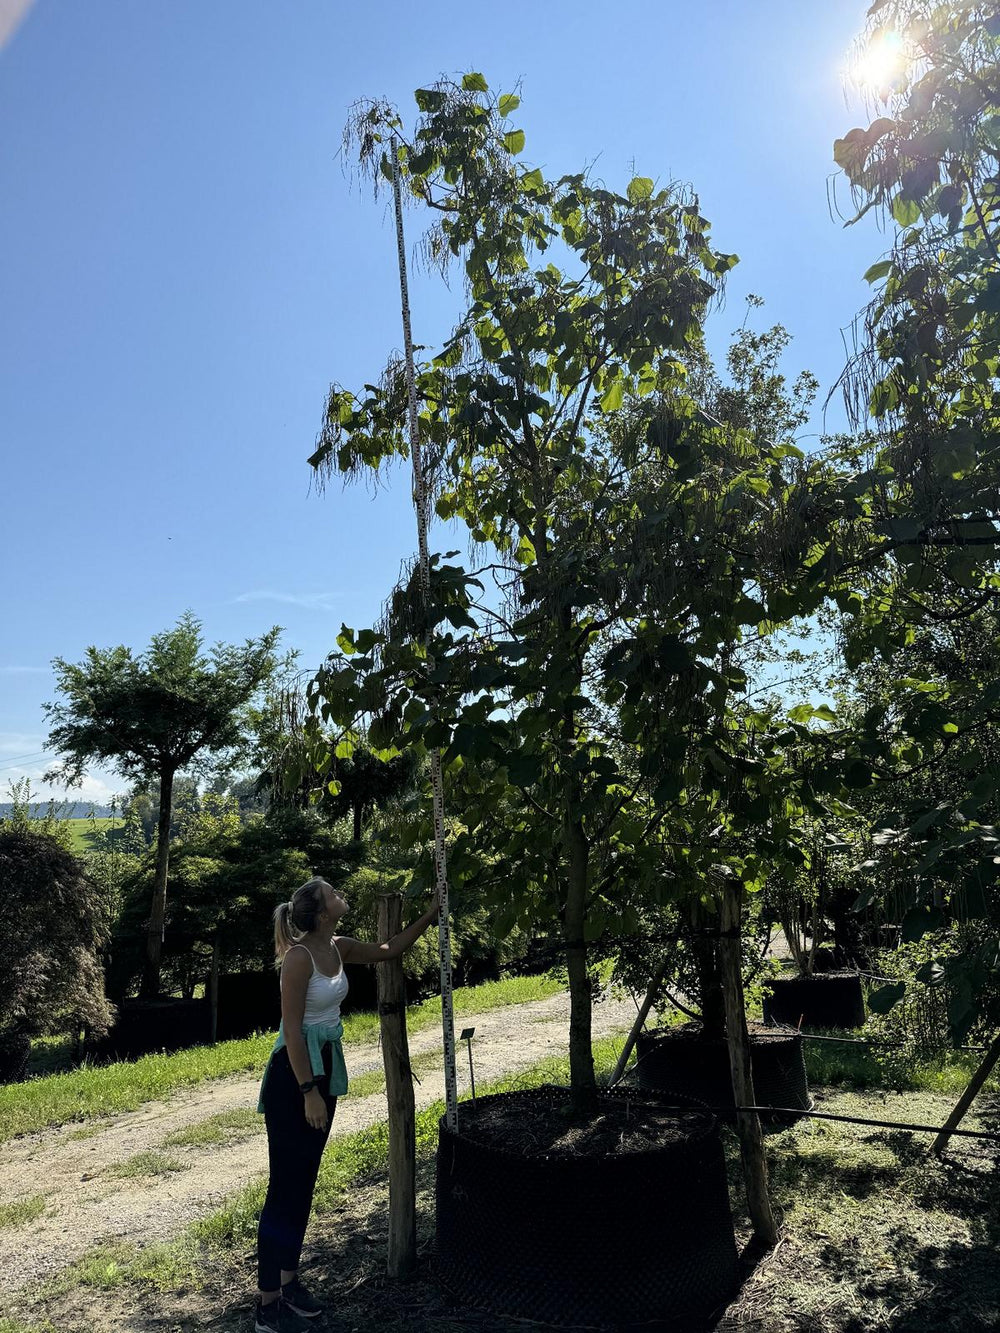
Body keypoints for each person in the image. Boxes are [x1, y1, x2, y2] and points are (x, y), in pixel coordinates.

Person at [253, 875, 439, 1333]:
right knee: (284, 1188)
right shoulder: (297, 960)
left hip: (325, 1069)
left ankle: (289, 1283)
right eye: (333, 893)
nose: (342, 895)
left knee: (304, 1183)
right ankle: (267, 1304)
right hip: (295, 1079)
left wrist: (433, 912)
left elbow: (389, 949)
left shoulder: (339, 947)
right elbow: (292, 1032)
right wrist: (308, 1092)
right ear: (320, 911)